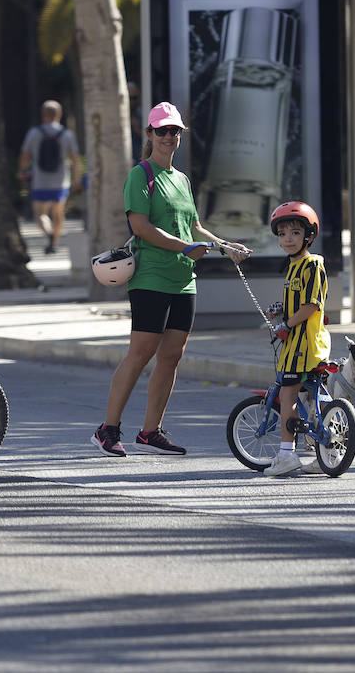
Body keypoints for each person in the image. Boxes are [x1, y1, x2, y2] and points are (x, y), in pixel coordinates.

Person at [91, 102, 251, 457]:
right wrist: (186, 247)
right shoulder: (141, 174)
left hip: (183, 280)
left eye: (174, 131)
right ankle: (108, 429)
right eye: (161, 130)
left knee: (172, 356)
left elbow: (194, 226)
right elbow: (141, 227)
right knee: (141, 352)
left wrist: (224, 245)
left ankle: (150, 432)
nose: (168, 137)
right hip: (150, 277)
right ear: (148, 134)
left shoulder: (181, 180)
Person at [263, 201, 332, 477]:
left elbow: (311, 305)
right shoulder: (294, 266)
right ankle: (326, 452)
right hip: (299, 342)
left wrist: (286, 325)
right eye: (282, 234)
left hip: (303, 345)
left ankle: (286, 454)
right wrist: (279, 310)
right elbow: (297, 302)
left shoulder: (311, 265)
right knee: (314, 398)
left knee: (287, 394)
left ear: (309, 235)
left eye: (294, 232)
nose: (287, 239)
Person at [18, 100, 82, 254]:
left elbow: (25, 155)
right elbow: (75, 160)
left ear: (43, 115)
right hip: (61, 182)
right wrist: (77, 180)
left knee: (40, 214)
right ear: (59, 115)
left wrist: (22, 170)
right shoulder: (66, 135)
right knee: (58, 214)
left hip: (40, 181)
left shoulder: (34, 133)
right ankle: (54, 242)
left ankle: (49, 233)